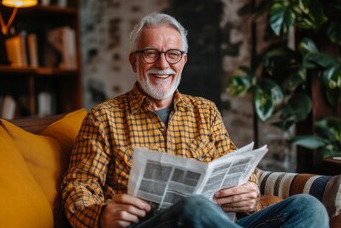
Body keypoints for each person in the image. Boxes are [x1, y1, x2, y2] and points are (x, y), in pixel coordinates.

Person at [61, 12, 329, 228]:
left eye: (172, 54)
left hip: (212, 222)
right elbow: (79, 187)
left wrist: (248, 192)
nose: (163, 64)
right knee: (193, 206)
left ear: (183, 61)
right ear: (134, 61)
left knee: (308, 207)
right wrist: (101, 215)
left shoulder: (205, 111)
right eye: (151, 53)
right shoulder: (103, 117)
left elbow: (236, 165)